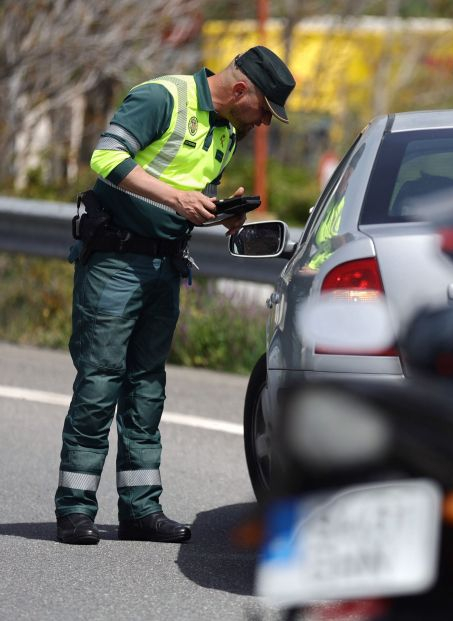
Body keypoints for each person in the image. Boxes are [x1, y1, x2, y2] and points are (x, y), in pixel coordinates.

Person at [54, 46, 295, 545]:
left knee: (146, 389)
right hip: (116, 263)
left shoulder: (229, 131)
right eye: (266, 111)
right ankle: (74, 509)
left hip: (165, 265)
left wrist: (222, 212)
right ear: (241, 89)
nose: (265, 124)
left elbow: (188, 191)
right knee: (101, 382)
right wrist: (177, 199)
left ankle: (140, 510)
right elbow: (105, 157)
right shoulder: (163, 97)